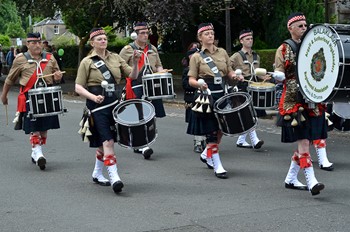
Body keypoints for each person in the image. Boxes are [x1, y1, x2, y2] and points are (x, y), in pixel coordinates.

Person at [75, 28, 140, 194]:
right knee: (108, 141)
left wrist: (135, 63)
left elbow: (132, 76)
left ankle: (97, 173)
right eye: (99, 39)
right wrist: (92, 97)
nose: (103, 41)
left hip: (116, 104)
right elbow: (78, 87)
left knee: (105, 143)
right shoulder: (87, 62)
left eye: (105, 39)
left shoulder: (116, 57)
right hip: (98, 106)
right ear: (92, 43)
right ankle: (114, 177)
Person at [274, 12, 325, 195]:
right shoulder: (283, 48)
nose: (304, 28)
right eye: (300, 26)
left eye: (305, 25)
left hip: (312, 99)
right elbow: (279, 72)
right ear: (290, 28)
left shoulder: (313, 46)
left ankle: (290, 179)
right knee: (303, 141)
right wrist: (279, 76)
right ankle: (312, 181)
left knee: (308, 141)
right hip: (294, 100)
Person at [1, 32, 63, 170]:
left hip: (47, 95)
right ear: (27, 44)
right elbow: (10, 79)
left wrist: (58, 77)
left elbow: (57, 76)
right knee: (34, 127)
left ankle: (35, 151)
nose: (37, 45)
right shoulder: (20, 59)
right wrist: (4, 95)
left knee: (44, 130)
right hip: (29, 96)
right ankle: (38, 152)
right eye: (33, 42)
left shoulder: (50, 58)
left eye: (39, 42)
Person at [187, 23, 242, 179]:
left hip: (222, 93)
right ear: (200, 37)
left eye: (212, 33)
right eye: (206, 33)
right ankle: (218, 165)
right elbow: (191, 79)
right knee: (211, 132)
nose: (210, 35)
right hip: (207, 94)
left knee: (221, 129)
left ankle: (206, 154)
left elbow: (229, 72)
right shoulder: (196, 57)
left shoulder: (222, 52)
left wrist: (234, 76)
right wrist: (199, 83)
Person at [119, 22, 166, 159]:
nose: (146, 36)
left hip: (152, 85)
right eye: (142, 33)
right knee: (140, 115)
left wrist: (161, 73)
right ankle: (142, 144)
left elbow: (158, 65)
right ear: (135, 34)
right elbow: (120, 68)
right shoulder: (127, 49)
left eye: (147, 33)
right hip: (136, 85)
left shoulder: (153, 49)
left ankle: (143, 141)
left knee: (152, 115)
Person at [229, 29, 266, 149]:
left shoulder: (256, 56)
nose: (250, 41)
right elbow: (226, 69)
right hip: (242, 85)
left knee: (251, 113)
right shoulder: (236, 56)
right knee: (248, 113)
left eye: (251, 38)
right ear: (241, 41)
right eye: (247, 39)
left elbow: (258, 73)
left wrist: (265, 77)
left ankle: (241, 140)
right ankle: (255, 140)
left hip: (254, 85)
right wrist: (235, 74)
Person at [182, 44, 206, 153]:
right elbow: (185, 85)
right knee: (196, 120)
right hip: (191, 98)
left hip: (202, 97)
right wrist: (195, 84)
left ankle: (205, 141)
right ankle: (197, 142)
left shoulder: (202, 69)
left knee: (205, 118)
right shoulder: (186, 70)